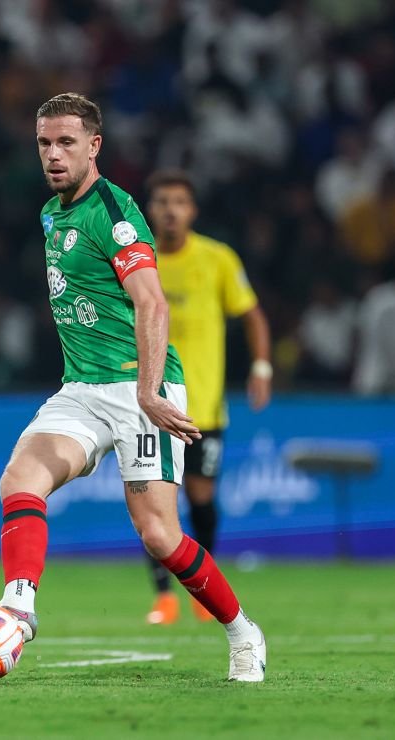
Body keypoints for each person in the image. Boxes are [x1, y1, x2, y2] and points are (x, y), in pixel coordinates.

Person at [0, 93, 267, 682]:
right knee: (19, 479)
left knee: (160, 535)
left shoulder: (113, 211)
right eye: (44, 142)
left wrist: (146, 391)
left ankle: (243, 632)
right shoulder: (50, 212)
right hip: (82, 388)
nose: (53, 154)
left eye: (66, 142)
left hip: (141, 386)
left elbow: (151, 301)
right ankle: (18, 608)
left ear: (94, 146)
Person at [142, 170, 272, 625]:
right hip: (150, 405)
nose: (171, 210)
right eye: (162, 201)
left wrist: (261, 365)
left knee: (200, 499)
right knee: (155, 503)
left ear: (192, 210)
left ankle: (202, 588)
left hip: (204, 408)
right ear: (150, 209)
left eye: (180, 201)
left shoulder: (217, 259)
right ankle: (164, 597)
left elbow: (251, 314)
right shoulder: (137, 258)